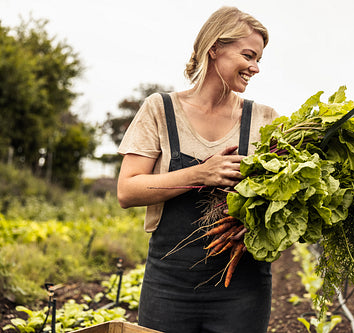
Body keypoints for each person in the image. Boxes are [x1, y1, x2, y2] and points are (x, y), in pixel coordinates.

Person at [116, 6, 279, 333]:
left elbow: (282, 200)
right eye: (249, 55)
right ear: (214, 48)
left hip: (243, 287)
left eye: (260, 59)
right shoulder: (160, 110)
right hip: (168, 283)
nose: (256, 67)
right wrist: (200, 175)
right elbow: (127, 190)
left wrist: (261, 224)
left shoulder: (265, 120)